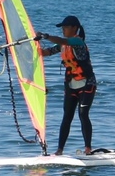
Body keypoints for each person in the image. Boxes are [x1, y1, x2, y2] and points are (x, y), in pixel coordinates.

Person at [37, 15, 97, 156]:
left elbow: (63, 40)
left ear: (74, 28)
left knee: (83, 114)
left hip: (87, 84)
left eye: (65, 27)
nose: (63, 30)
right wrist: (27, 50)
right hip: (71, 84)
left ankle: (88, 148)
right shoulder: (62, 46)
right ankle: (59, 150)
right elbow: (46, 52)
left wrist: (46, 36)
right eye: (62, 28)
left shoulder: (77, 41)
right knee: (67, 116)